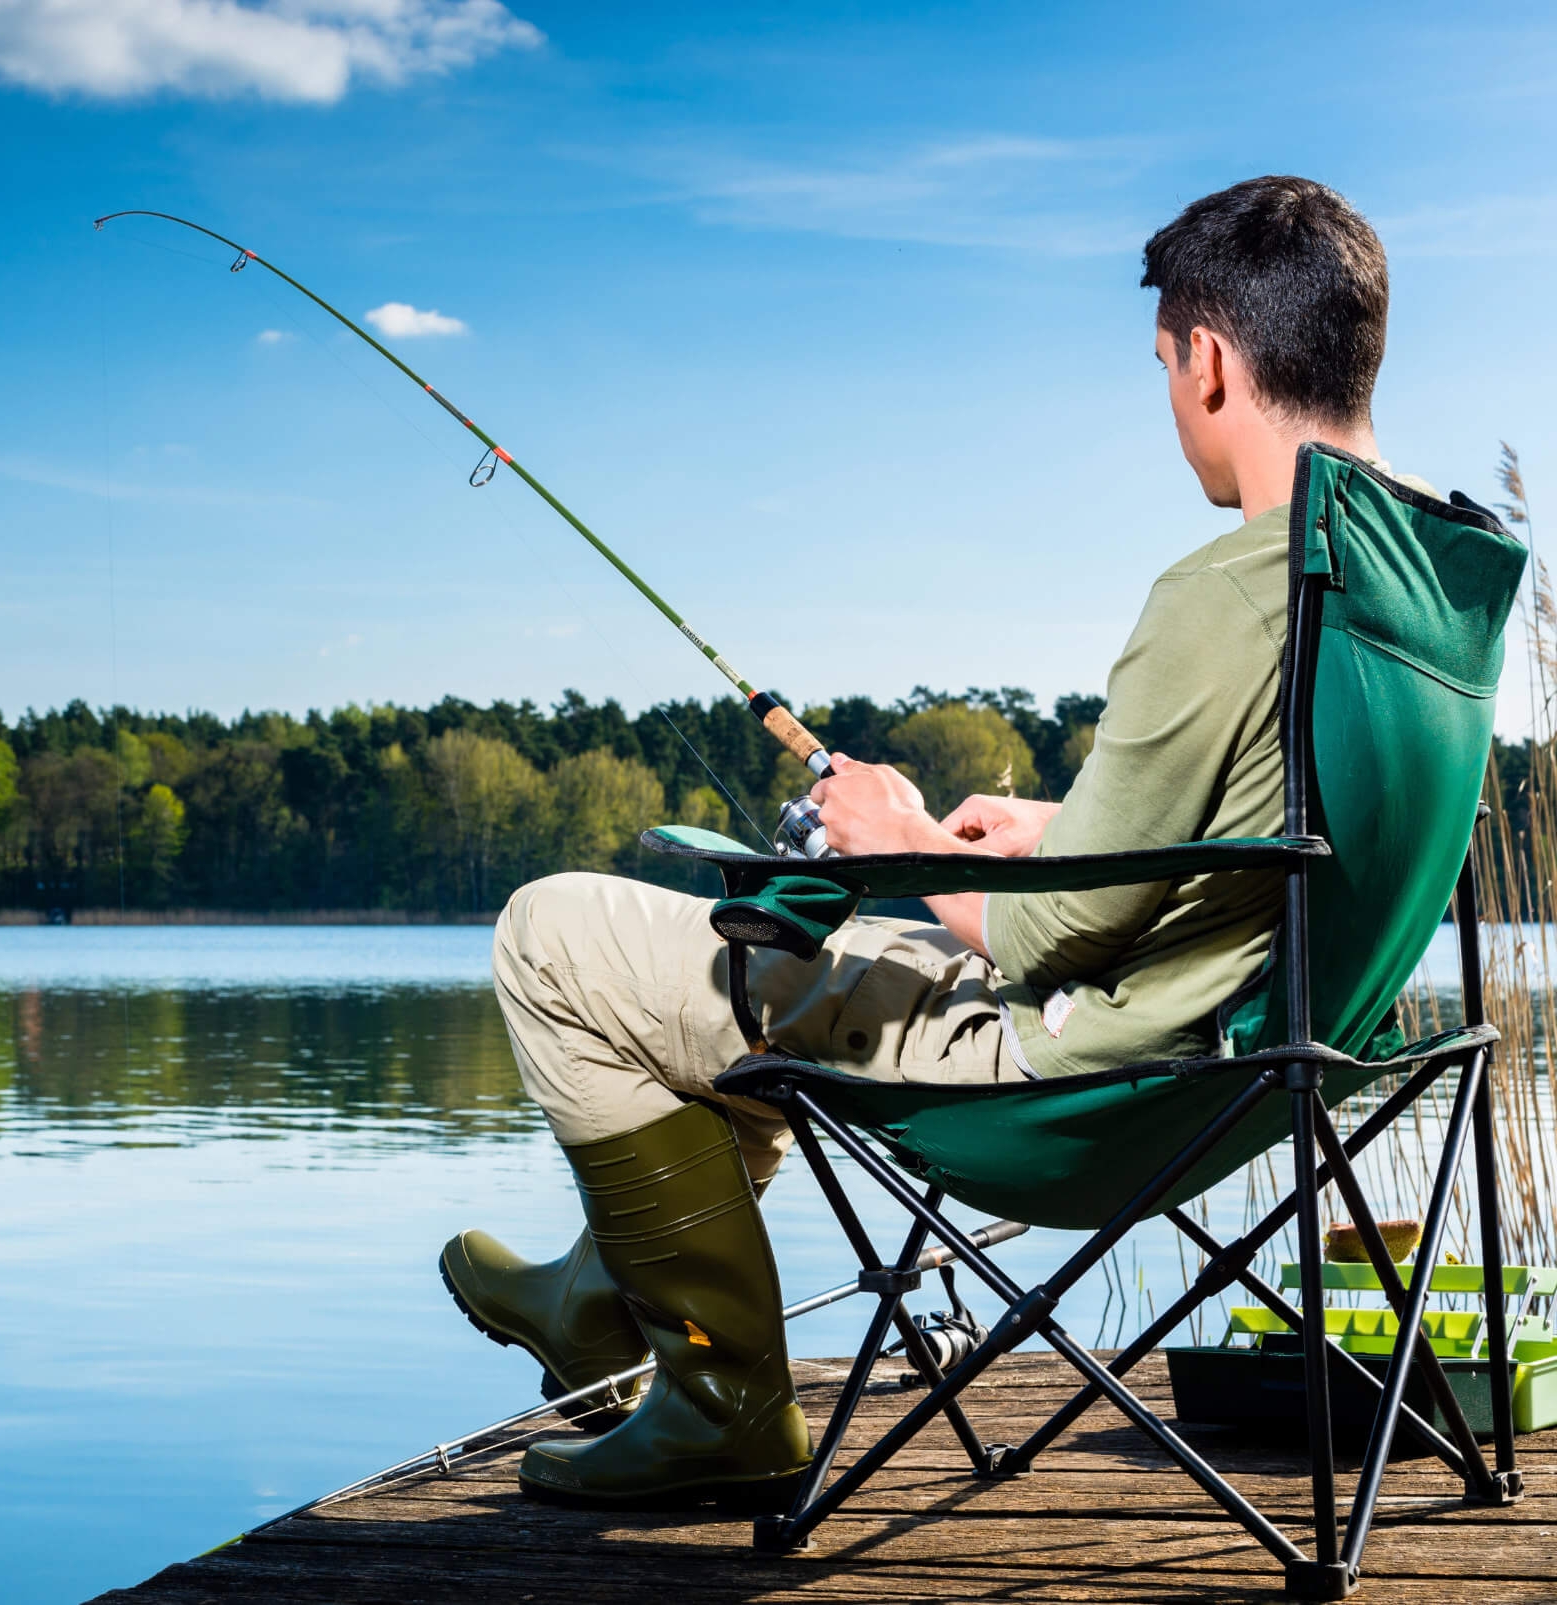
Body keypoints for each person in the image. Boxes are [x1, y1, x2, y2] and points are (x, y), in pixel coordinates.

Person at [441, 175, 1418, 1508]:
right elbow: (1275, 836)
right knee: (756, 960)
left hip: (1075, 1081)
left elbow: (1051, 937)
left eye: (1161, 365)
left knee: (555, 936)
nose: (1166, 400)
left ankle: (716, 1390)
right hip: (1250, 1071)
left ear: (1207, 360)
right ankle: (599, 1295)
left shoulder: (1228, 591)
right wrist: (1062, 829)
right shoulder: (1417, 569)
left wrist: (899, 834)